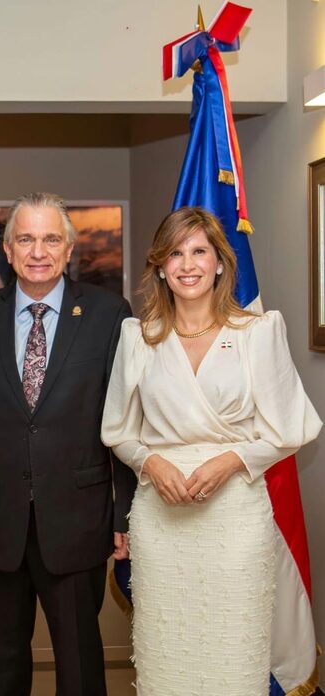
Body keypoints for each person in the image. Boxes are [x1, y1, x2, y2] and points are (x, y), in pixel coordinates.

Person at [101, 206, 322, 696]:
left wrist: (231, 461)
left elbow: (291, 429)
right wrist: (150, 462)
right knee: (169, 652)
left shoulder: (258, 332)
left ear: (220, 263)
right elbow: (117, 430)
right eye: (175, 253)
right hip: (160, 519)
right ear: (160, 267)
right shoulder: (138, 338)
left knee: (232, 649)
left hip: (236, 516)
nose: (188, 264)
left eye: (199, 251)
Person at [0, 192, 135, 696]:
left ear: (69, 249)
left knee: (80, 665)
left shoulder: (110, 314)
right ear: (7, 249)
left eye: (50, 239)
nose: (38, 251)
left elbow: (126, 423)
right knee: (0, 664)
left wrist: (124, 515)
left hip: (78, 520)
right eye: (25, 239)